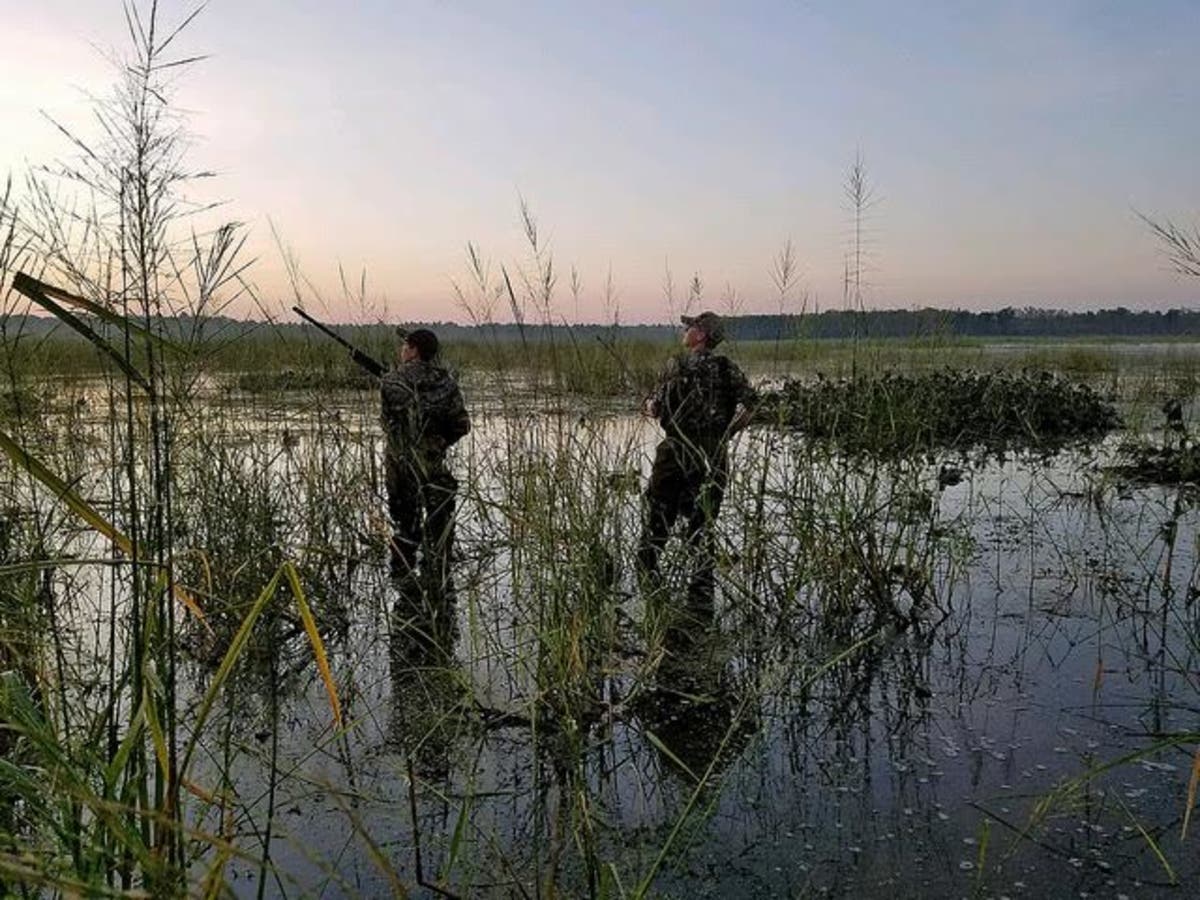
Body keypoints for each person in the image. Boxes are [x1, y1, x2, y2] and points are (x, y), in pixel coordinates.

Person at [637, 311, 756, 590]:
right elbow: (753, 405)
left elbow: (655, 407)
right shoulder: (727, 368)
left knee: (659, 518)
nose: (685, 330)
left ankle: (650, 588)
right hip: (713, 455)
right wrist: (728, 433)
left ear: (701, 334)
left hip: (676, 451)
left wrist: (649, 406)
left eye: (689, 327)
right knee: (703, 525)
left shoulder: (677, 364)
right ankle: (701, 595)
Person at [380, 328, 471, 579]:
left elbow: (387, 425)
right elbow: (462, 425)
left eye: (405, 346)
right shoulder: (447, 382)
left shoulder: (390, 381)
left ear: (413, 350)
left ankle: (403, 586)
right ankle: (439, 587)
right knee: (440, 537)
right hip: (434, 467)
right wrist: (437, 443)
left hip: (401, 470)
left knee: (405, 530)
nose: (402, 350)